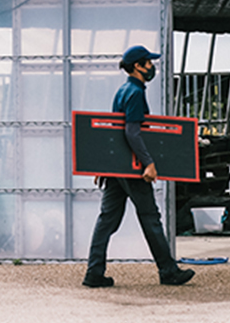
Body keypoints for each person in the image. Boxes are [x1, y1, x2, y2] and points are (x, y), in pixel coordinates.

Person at [83, 45, 195, 288]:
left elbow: (112, 132)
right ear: (138, 66)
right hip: (132, 170)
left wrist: (106, 167)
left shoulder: (121, 91)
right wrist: (149, 163)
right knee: (150, 218)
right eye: (148, 62)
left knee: (106, 221)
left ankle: (94, 273)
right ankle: (168, 271)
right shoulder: (135, 93)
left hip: (118, 169)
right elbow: (132, 133)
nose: (152, 66)